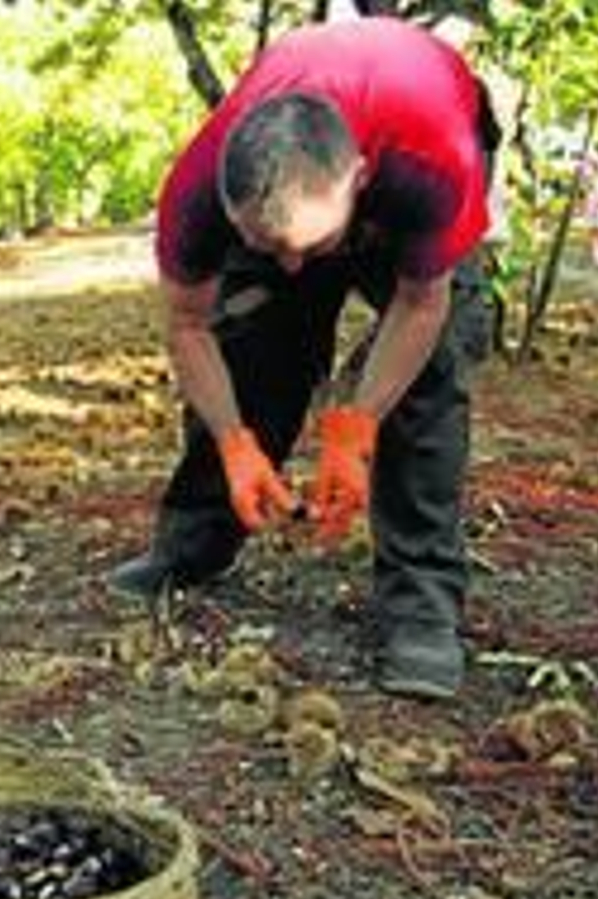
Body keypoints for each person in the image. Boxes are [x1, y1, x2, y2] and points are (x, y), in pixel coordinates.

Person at [110, 17, 500, 700]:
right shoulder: (196, 192)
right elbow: (189, 327)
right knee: (255, 340)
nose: (290, 264)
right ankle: (194, 543)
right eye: (266, 244)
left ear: (357, 178)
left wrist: (357, 426)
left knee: (429, 375)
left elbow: (421, 306)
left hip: (425, 120)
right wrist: (234, 442)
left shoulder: (428, 164)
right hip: (322, 173)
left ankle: (421, 605)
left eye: (308, 247)